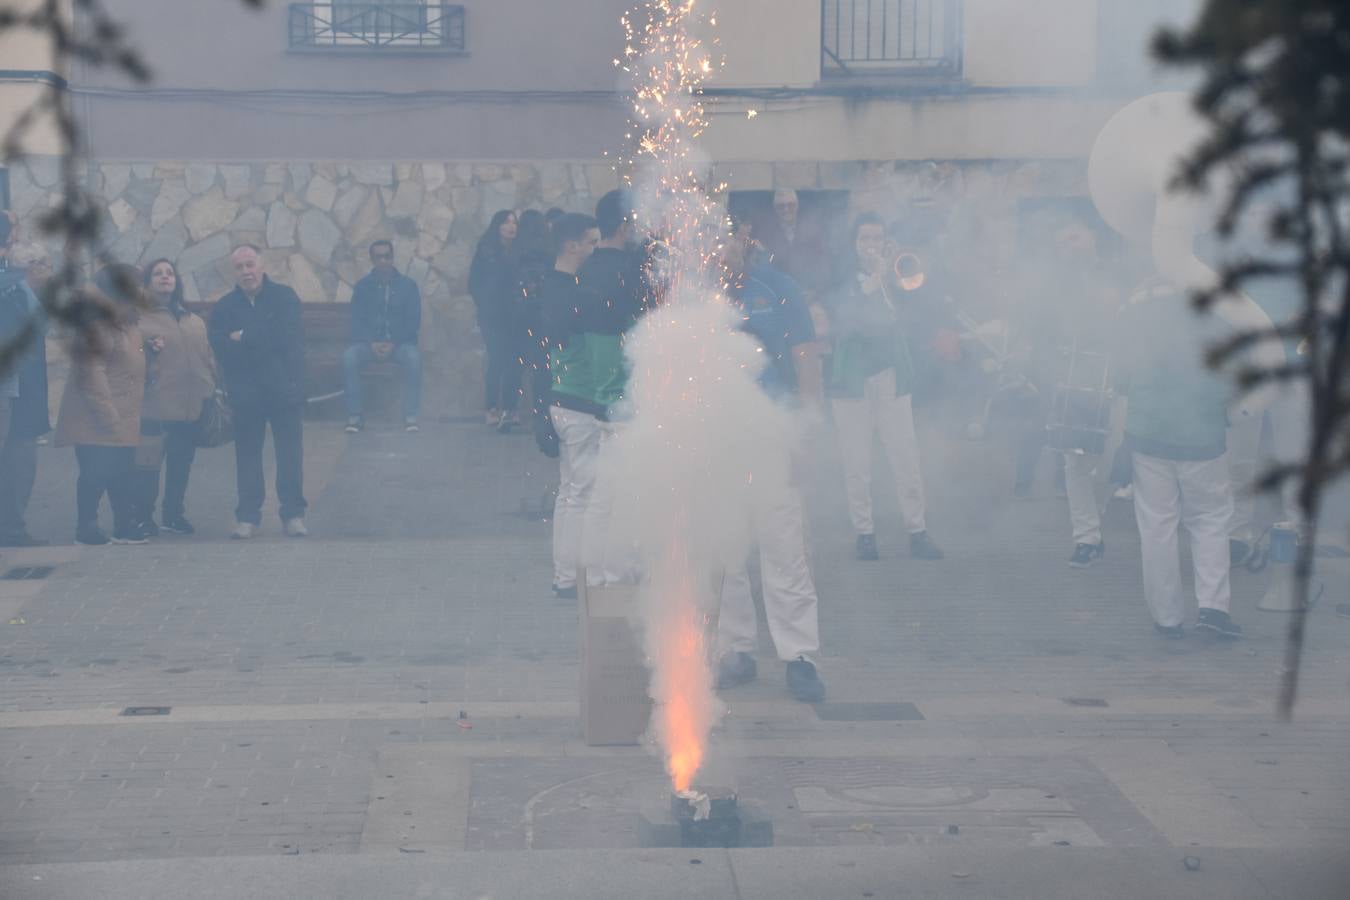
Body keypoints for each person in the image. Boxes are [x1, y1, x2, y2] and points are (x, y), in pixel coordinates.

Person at [715, 223, 827, 703]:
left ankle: (799, 655)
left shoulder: (777, 288)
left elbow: (807, 359)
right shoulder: (689, 293)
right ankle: (736, 650)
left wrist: (806, 432)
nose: (715, 249)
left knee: (784, 549)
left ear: (743, 239)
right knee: (725, 551)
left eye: (721, 238)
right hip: (715, 440)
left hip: (774, 433)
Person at [1118, 278, 1241, 639]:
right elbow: (1233, 378)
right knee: (1210, 520)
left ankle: (1167, 618)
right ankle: (1213, 612)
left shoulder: (1138, 317)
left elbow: (1121, 377)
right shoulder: (1218, 318)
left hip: (1148, 434)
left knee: (1157, 526)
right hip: (1202, 435)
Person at [826, 213, 944, 562]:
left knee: (905, 455)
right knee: (857, 460)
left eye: (877, 238)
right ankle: (864, 533)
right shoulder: (841, 275)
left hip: (891, 375)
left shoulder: (894, 273)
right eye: (865, 239)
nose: (872, 245)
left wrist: (891, 277)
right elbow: (851, 315)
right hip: (852, 379)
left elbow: (914, 309)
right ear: (854, 244)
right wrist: (877, 276)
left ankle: (917, 530)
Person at [576, 190, 651, 587]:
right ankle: (612, 574)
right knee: (620, 494)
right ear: (624, 225)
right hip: (625, 398)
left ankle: (595, 572)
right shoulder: (631, 272)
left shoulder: (586, 269)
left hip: (596, 397)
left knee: (602, 493)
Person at [208, 245, 308, 540]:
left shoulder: (285, 298)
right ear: (234, 273)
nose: (246, 272)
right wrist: (258, 338)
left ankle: (293, 514)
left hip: (283, 389)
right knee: (248, 456)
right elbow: (221, 346)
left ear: (261, 266)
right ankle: (248, 517)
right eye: (239, 267)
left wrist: (245, 337)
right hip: (246, 394)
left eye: (250, 265)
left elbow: (287, 337)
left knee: (290, 455)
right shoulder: (226, 307)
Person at [53, 264, 147, 545]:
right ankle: (87, 527)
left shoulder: (128, 323)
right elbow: (92, 373)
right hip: (96, 416)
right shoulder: (97, 324)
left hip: (124, 414)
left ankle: (124, 524)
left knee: (122, 473)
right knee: (95, 474)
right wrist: (109, 417)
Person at [540, 213, 603, 599]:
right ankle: (572, 577)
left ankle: (566, 573)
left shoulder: (558, 286)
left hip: (566, 397)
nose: (596, 250)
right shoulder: (563, 290)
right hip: (576, 398)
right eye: (592, 243)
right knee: (581, 491)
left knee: (571, 490)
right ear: (571, 245)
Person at [131, 259, 217, 536]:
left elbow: (207, 357)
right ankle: (143, 516)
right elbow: (129, 361)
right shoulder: (138, 320)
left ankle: (173, 514)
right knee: (147, 467)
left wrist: (211, 386)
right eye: (158, 274)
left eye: (169, 273)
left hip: (190, 407)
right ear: (147, 283)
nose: (165, 277)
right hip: (154, 408)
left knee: (181, 465)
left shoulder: (193, 320)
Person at [0, 239, 51, 546]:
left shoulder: (26, 294)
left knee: (21, 466)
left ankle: (13, 529)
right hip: (9, 390)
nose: (50, 271)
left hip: (25, 394)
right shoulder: (12, 292)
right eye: (46, 264)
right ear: (33, 266)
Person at [343, 239, 423, 434]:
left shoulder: (408, 286)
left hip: (399, 345)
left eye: (387, 256)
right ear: (372, 259)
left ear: (393, 258)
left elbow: (412, 322)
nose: (383, 261)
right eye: (378, 257)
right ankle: (355, 417)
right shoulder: (362, 287)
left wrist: (393, 343)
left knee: (414, 358)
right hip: (369, 345)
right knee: (349, 357)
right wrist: (371, 343)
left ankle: (410, 416)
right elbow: (356, 321)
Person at [469, 210, 522, 427]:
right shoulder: (486, 250)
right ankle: (491, 407)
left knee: (514, 361)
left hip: (516, 315)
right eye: (506, 222)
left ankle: (510, 408)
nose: (511, 226)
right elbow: (475, 283)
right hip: (492, 316)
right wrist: (487, 305)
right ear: (497, 226)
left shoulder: (520, 251)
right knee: (497, 360)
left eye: (514, 222)